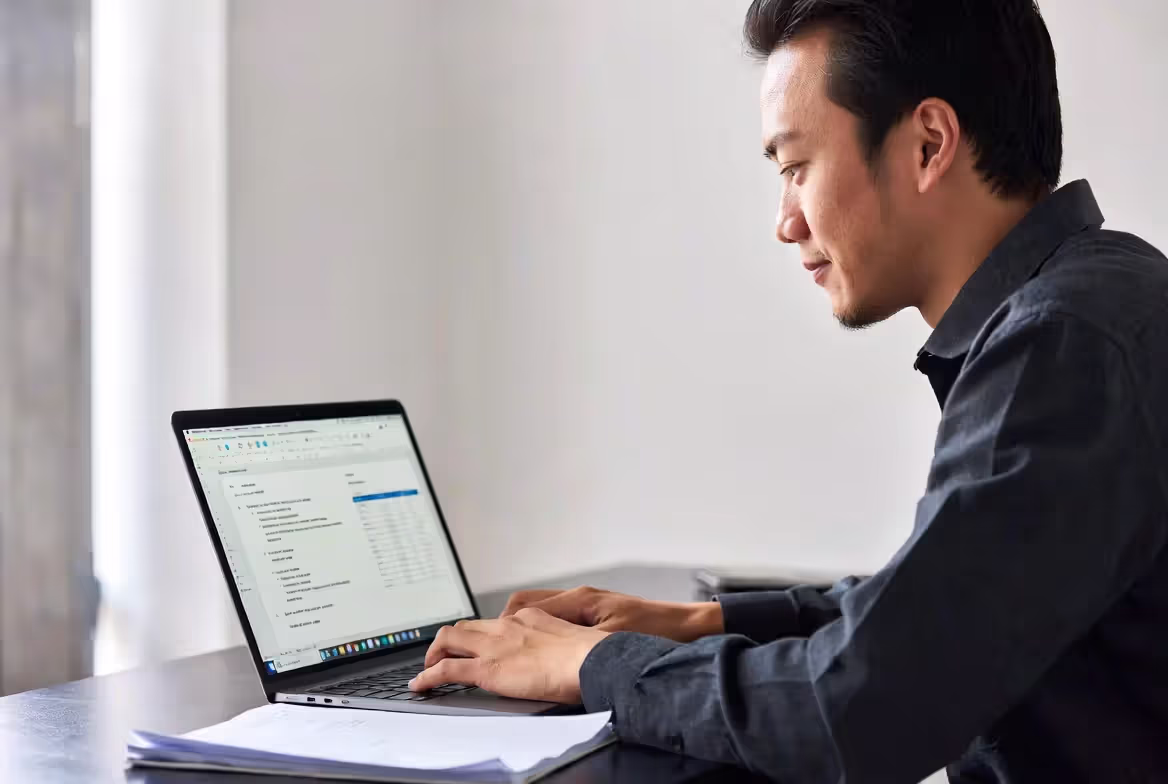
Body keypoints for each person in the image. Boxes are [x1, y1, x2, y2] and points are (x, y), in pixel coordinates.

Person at [409, 0, 1168, 780]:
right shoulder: (1101, 300)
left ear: (929, 144)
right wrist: (704, 623)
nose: (786, 221)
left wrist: (596, 665)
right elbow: (942, 617)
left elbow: (862, 711)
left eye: (795, 166)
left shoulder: (1068, 340)